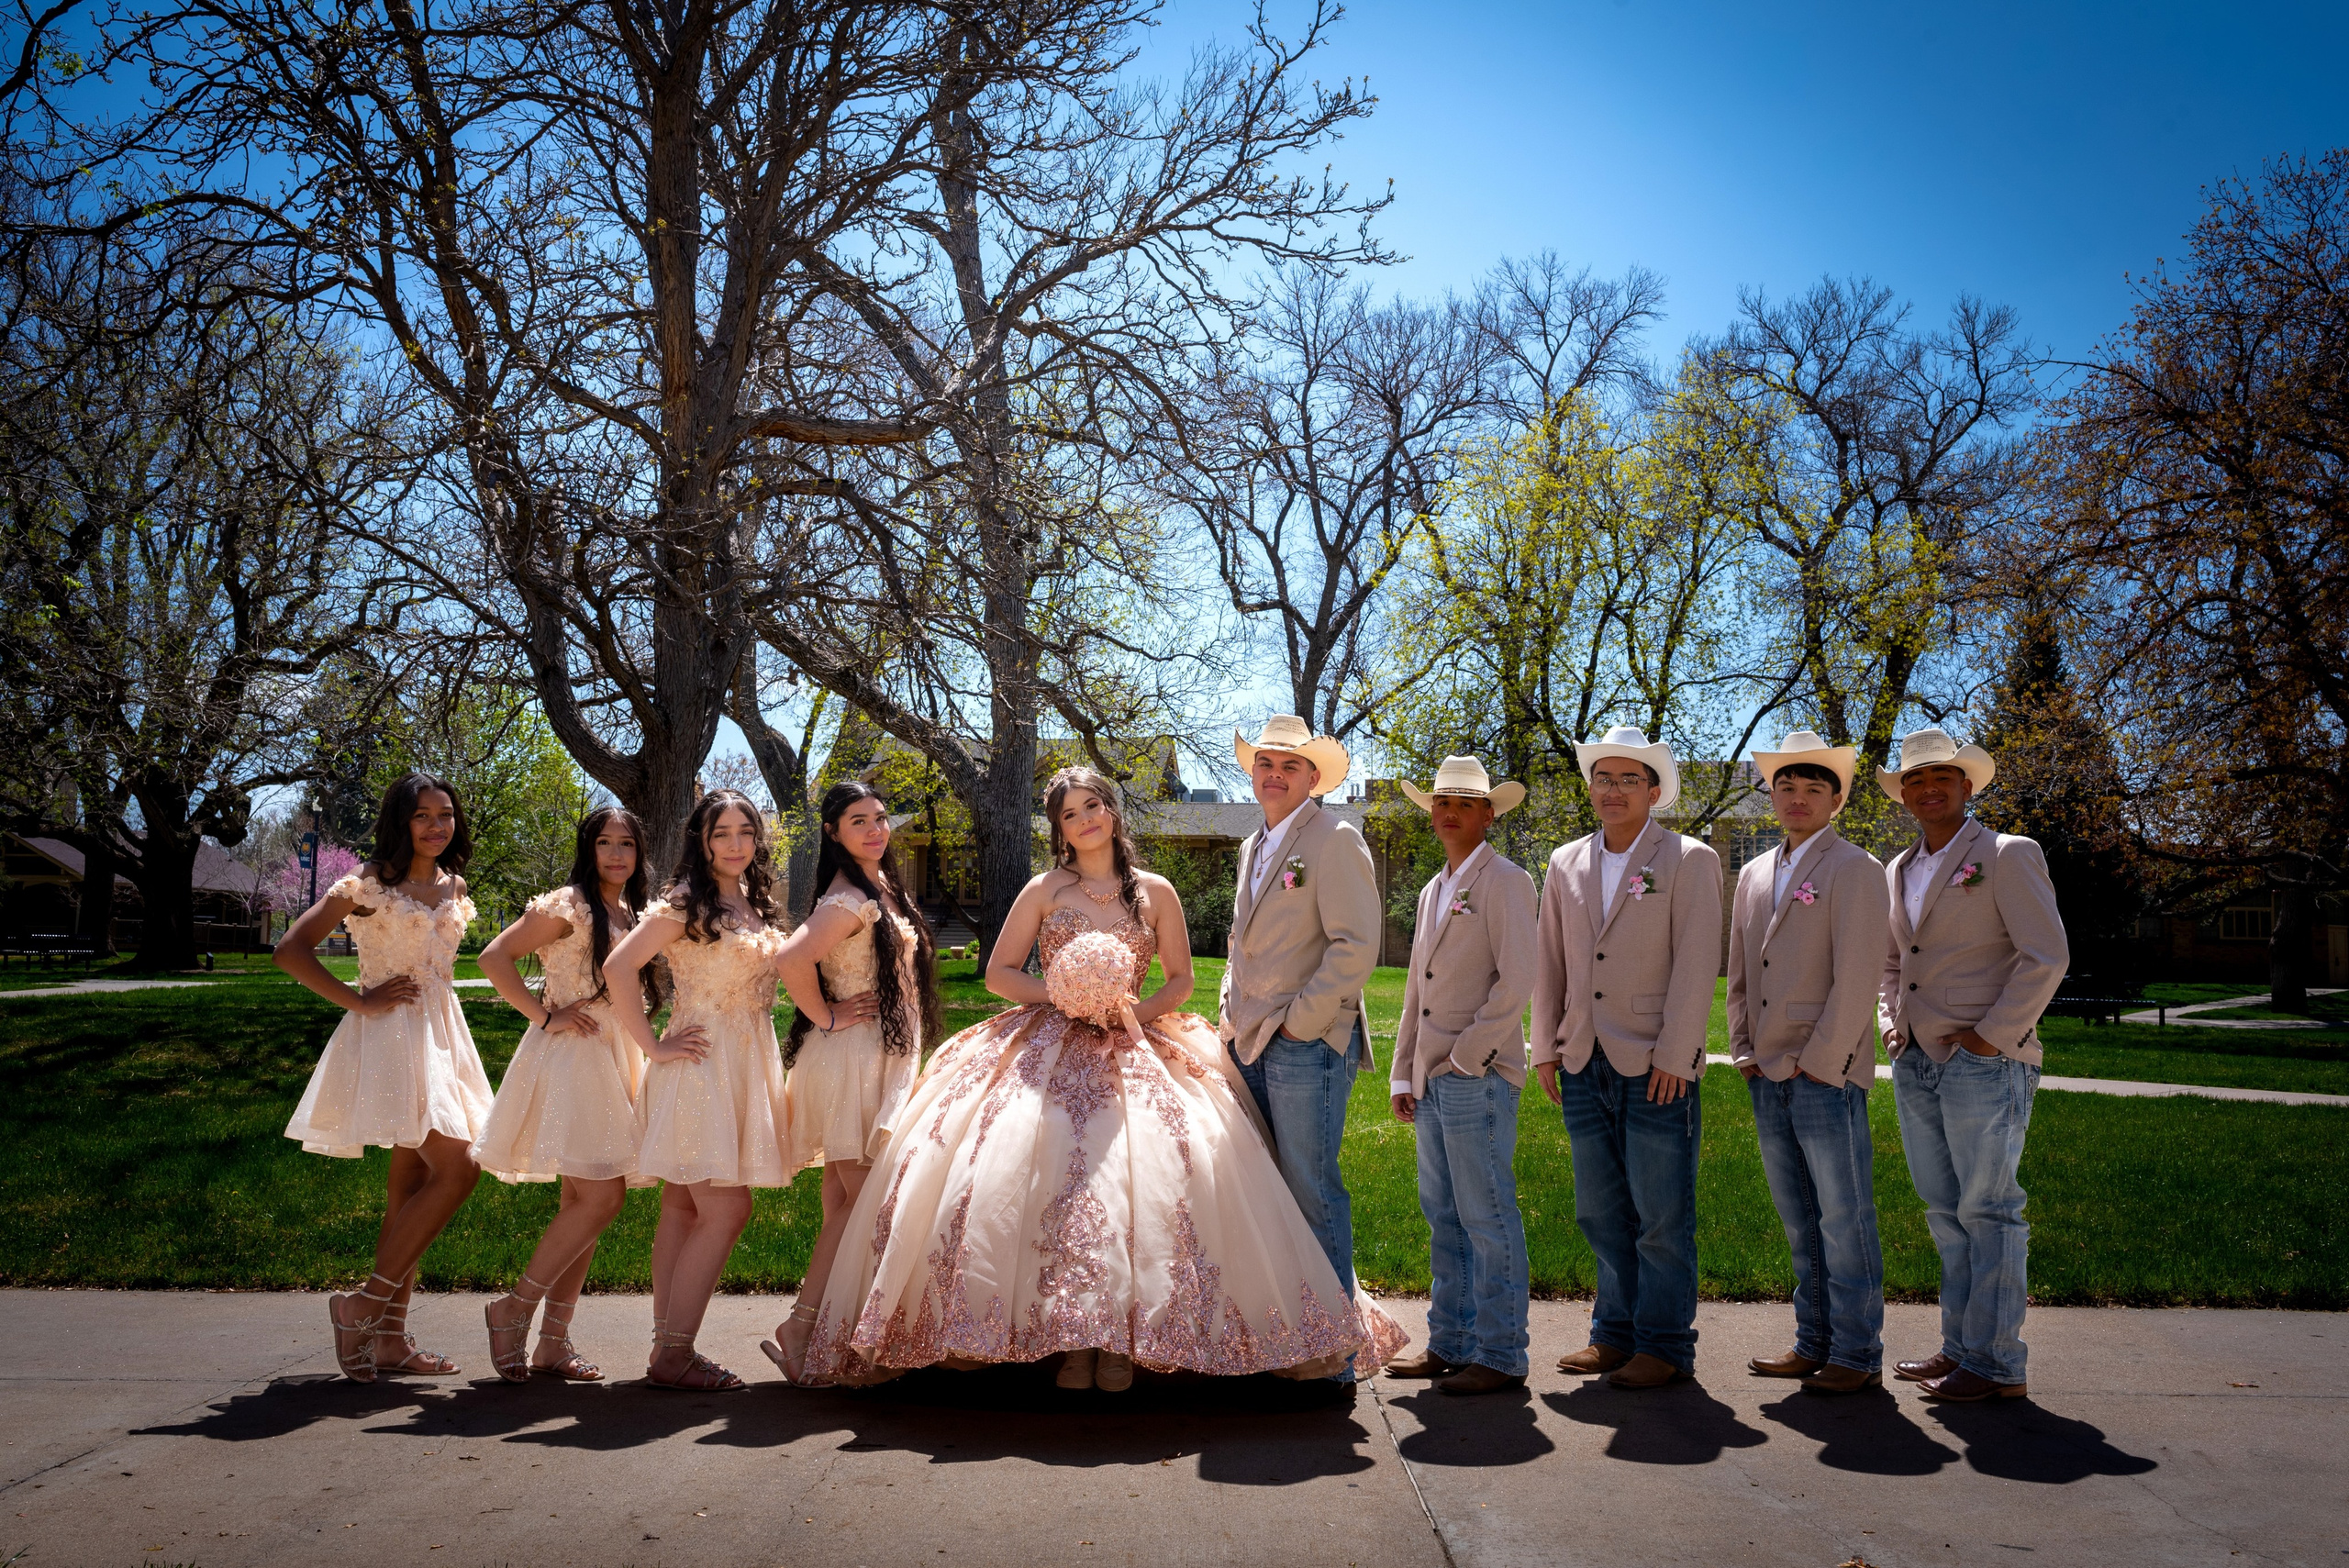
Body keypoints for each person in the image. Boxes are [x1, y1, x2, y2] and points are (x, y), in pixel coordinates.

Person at [800, 767, 1406, 1390]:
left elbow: (1180, 980)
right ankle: (1066, 1340)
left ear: (1111, 811)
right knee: (1028, 1165)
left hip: (1135, 1036)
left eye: (1093, 805)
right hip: (1050, 1037)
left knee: (1164, 1170)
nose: (1085, 819)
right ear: (1059, 829)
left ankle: (1124, 1345)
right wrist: (1062, 996)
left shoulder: (1155, 891)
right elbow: (1000, 973)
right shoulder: (1043, 889)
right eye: (1070, 813)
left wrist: (1131, 1014)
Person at [278, 772, 495, 1383]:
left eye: (445, 814)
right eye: (422, 815)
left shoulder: (454, 884)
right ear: (400, 822)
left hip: (443, 1037)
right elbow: (290, 950)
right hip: (392, 1037)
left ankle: (389, 1342)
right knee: (460, 1167)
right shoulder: (369, 882)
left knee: (409, 1190)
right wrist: (359, 1000)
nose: (436, 825)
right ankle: (363, 1305)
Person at [1877, 728, 2067, 1403]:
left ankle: (1997, 1363)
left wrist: (1991, 1037)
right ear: (1904, 794)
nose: (1928, 789)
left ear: (1966, 786)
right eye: (1916, 780)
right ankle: (1960, 1348)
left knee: (1989, 1210)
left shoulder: (2007, 853)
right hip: (1916, 1059)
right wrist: (1891, 1023)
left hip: (1985, 1062)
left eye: (1942, 778)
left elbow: (2046, 955)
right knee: (1945, 1211)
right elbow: (1892, 962)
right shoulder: (1898, 869)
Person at [1531, 727, 1722, 1390]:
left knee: (1662, 1214)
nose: (1613, 790)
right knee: (1600, 1209)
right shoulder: (1564, 862)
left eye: (1628, 779)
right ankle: (1613, 1334)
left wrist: (1677, 1053)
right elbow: (1549, 960)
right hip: (1582, 1057)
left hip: (1655, 1060)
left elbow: (1697, 963)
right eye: (1603, 778)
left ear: (1654, 790)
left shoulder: (1690, 859)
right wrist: (1546, 1047)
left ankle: (1665, 1344)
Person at [600, 789, 790, 1392]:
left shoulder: (754, 900)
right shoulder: (685, 901)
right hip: (701, 1063)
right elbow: (617, 967)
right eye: (721, 833)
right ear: (701, 841)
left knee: (683, 1207)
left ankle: (667, 1349)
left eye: (745, 832)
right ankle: (675, 1352)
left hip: (744, 1059)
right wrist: (652, 1047)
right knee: (728, 1208)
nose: (735, 844)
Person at [1726, 732, 1891, 1396]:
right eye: (1786, 787)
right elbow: (1740, 971)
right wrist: (1743, 1049)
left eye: (1813, 789)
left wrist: (1822, 1061)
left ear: (1837, 799)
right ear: (1772, 796)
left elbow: (1858, 976)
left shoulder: (1856, 868)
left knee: (1844, 1217)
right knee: (1800, 1217)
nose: (1797, 798)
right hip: (1766, 1069)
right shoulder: (1754, 873)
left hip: (1825, 1071)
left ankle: (1857, 1350)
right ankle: (1812, 1341)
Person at [763, 780, 941, 1384]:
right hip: (852, 1060)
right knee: (866, 1203)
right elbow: (791, 958)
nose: (874, 829)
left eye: (880, 818)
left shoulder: (881, 885)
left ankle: (825, 1334)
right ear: (833, 832)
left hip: (877, 1055)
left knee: (845, 1202)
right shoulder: (847, 897)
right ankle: (804, 1327)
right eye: (858, 820)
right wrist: (827, 1015)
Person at [1217, 716, 1384, 1352]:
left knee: (1312, 1193)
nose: (1275, 775)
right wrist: (1229, 1011)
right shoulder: (1251, 846)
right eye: (1266, 763)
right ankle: (1286, 1343)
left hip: (1306, 1045)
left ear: (1313, 778)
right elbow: (1240, 942)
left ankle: (1334, 1354)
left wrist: (1298, 1025)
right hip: (1248, 1041)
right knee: (1268, 1196)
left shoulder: (1335, 839)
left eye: (1290, 766)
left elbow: (1355, 945)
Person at [472, 806, 655, 1383]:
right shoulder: (569, 904)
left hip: (615, 1053)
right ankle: (514, 1308)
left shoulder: (629, 911)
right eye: (605, 843)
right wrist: (545, 1016)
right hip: (575, 1055)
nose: (617, 854)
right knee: (602, 1197)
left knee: (583, 1203)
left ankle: (554, 1341)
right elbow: (493, 957)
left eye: (627, 844)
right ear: (588, 848)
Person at [1382, 757, 1537, 1396]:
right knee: (1443, 1215)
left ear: (1488, 814)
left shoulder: (1507, 881)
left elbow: (1518, 979)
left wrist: (1469, 1057)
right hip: (1432, 1079)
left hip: (1478, 1075)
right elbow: (1417, 990)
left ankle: (1501, 1352)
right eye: (1442, 802)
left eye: (1465, 804)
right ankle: (1451, 1341)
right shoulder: (1433, 890)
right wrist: (1405, 1073)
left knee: (1486, 1214)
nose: (1449, 813)